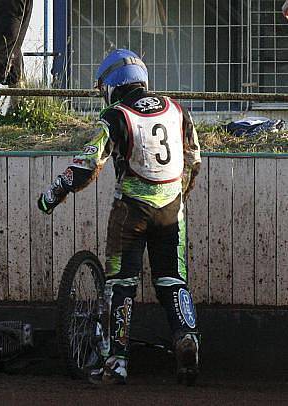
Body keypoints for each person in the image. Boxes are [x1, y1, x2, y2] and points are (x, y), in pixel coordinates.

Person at [38, 49, 201, 384]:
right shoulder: (176, 109)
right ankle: (188, 337)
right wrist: (177, 196)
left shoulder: (115, 115)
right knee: (172, 280)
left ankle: (117, 363)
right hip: (172, 209)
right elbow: (194, 160)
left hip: (130, 213)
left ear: (112, 85)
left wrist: (53, 194)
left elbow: (86, 165)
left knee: (120, 285)